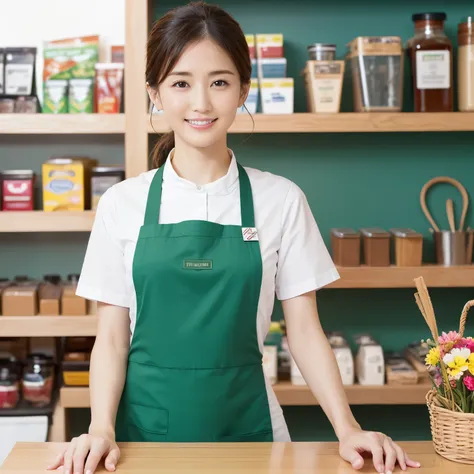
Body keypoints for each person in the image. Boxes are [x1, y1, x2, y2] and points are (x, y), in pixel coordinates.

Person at [47, 2, 421, 474]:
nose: (200, 103)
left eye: (219, 82)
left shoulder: (281, 200)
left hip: (252, 429)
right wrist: (100, 427)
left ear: (244, 89)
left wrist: (347, 428)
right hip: (143, 438)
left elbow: (305, 331)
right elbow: (112, 336)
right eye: (181, 83)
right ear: (154, 93)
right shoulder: (122, 204)